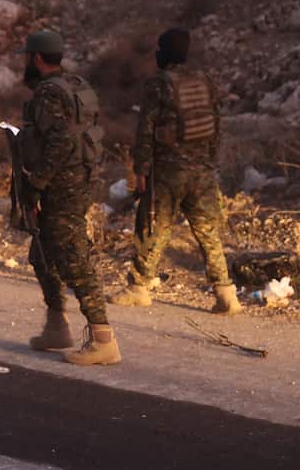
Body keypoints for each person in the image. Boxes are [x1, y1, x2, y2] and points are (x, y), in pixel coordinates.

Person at [110, 28, 241, 314]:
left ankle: (138, 288)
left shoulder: (159, 83)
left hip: (168, 173)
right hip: (202, 172)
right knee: (208, 232)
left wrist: (141, 169)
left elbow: (146, 130)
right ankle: (225, 293)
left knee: (153, 227)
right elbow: (216, 125)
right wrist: (208, 161)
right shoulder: (205, 80)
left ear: (166, 52)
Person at [17, 30, 120, 366]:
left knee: (73, 257)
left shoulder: (48, 92)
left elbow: (60, 142)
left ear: (35, 58)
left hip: (61, 185)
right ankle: (56, 326)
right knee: (42, 251)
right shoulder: (76, 85)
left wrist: (37, 183)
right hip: (79, 179)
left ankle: (103, 339)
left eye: (26, 57)